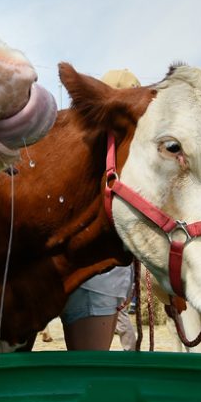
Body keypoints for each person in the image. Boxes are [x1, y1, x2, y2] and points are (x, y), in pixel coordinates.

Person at [61, 68, 142, 351]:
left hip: (90, 274)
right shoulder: (124, 151)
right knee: (87, 367)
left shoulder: (74, 143)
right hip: (98, 276)